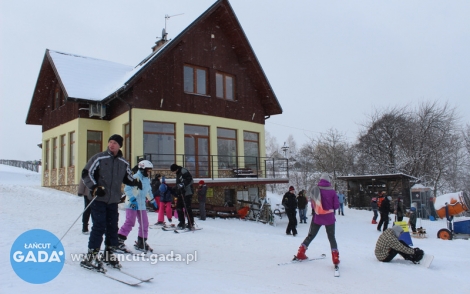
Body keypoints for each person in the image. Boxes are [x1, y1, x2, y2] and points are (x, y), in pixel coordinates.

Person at [80, 134, 142, 271]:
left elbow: (128, 178)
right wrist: (95, 187)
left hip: (113, 200)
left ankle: (108, 254)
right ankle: (91, 255)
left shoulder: (123, 162)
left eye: (115, 143)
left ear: (120, 146)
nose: (111, 145)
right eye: (110, 142)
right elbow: (86, 173)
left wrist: (136, 182)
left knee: (112, 227)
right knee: (99, 226)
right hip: (99, 199)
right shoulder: (99, 158)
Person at [295, 173, 340, 266]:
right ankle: (335, 257)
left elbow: (312, 205)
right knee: (331, 237)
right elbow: (336, 206)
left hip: (318, 217)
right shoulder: (332, 191)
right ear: (328, 181)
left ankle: (301, 252)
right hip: (329, 218)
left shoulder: (315, 190)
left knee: (311, 235)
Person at [117, 160, 157, 253]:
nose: (149, 172)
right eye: (148, 170)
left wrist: (152, 200)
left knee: (144, 223)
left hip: (141, 205)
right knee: (130, 222)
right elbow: (127, 189)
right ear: (142, 169)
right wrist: (132, 199)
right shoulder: (135, 177)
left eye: (150, 171)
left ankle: (141, 242)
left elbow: (148, 191)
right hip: (132, 204)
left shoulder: (147, 180)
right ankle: (119, 240)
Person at [170, 163, 195, 229]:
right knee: (179, 207)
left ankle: (191, 224)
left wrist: (182, 184)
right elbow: (179, 183)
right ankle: (181, 222)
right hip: (181, 193)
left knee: (187, 208)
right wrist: (176, 188)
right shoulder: (178, 173)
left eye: (173, 171)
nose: (173, 173)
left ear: (176, 169)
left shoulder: (183, 171)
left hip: (187, 192)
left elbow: (190, 180)